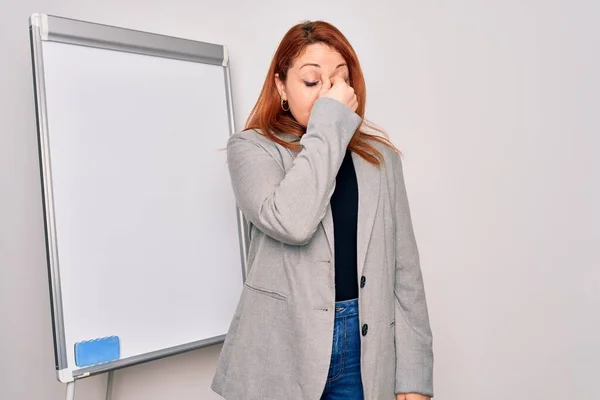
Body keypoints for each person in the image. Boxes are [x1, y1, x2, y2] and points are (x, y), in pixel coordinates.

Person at [211, 20, 434, 400]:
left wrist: (415, 379)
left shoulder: (381, 160)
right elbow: (293, 222)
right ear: (281, 85)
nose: (328, 93)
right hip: (281, 351)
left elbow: (405, 273)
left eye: (338, 81)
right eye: (312, 83)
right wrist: (330, 121)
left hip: (364, 348)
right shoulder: (252, 149)